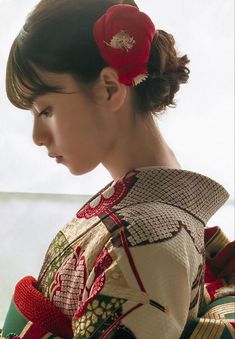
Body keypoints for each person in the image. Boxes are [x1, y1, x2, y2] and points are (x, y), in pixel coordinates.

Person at [1, 0, 234, 338]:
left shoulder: (148, 241)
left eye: (46, 110)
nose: (37, 137)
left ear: (109, 89)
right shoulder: (142, 215)